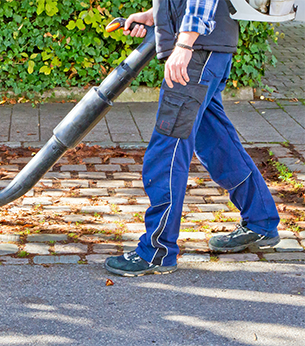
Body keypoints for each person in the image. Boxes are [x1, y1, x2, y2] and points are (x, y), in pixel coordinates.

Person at [104, 0, 281, 276]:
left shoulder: (191, 44)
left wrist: (185, 43)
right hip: (210, 48)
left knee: (167, 149)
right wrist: (155, 16)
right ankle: (261, 222)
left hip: (198, 51)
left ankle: (157, 251)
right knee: (217, 143)